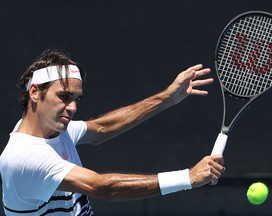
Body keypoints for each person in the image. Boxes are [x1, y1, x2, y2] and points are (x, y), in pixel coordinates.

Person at [0, 48, 225, 215]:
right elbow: (103, 187)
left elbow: (101, 128)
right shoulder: (24, 157)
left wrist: (167, 97)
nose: (73, 107)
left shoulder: (52, 129)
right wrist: (188, 177)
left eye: (76, 99)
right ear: (35, 92)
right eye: (64, 97)